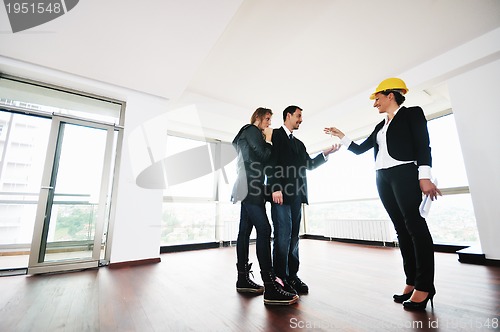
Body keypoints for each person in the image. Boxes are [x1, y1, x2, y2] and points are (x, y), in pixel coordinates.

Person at [325, 78, 441, 311]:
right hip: (383, 177)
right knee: (401, 229)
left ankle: (425, 286)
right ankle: (412, 281)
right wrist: (342, 135)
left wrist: (424, 175)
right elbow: (359, 150)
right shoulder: (380, 126)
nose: (374, 103)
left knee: (415, 227)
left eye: (377, 98)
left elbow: (423, 144)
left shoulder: (412, 114)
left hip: (405, 172)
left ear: (391, 95)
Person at [268, 105, 340, 295]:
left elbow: (308, 164)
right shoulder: (274, 135)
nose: (301, 119)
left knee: (293, 238)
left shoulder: (299, 144)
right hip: (280, 195)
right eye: (299, 116)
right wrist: (275, 187)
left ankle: (293, 275)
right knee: (282, 237)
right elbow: (270, 162)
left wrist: (325, 154)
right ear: (288, 115)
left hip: (296, 195)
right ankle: (280, 278)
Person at [231, 107, 299, 305]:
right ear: (258, 118)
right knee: (265, 229)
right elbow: (262, 155)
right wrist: (268, 139)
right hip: (250, 186)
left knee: (244, 232)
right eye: (267, 119)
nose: (270, 123)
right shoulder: (251, 130)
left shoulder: (245, 135)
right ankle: (270, 287)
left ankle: (242, 279)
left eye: (270, 120)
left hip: (248, 185)